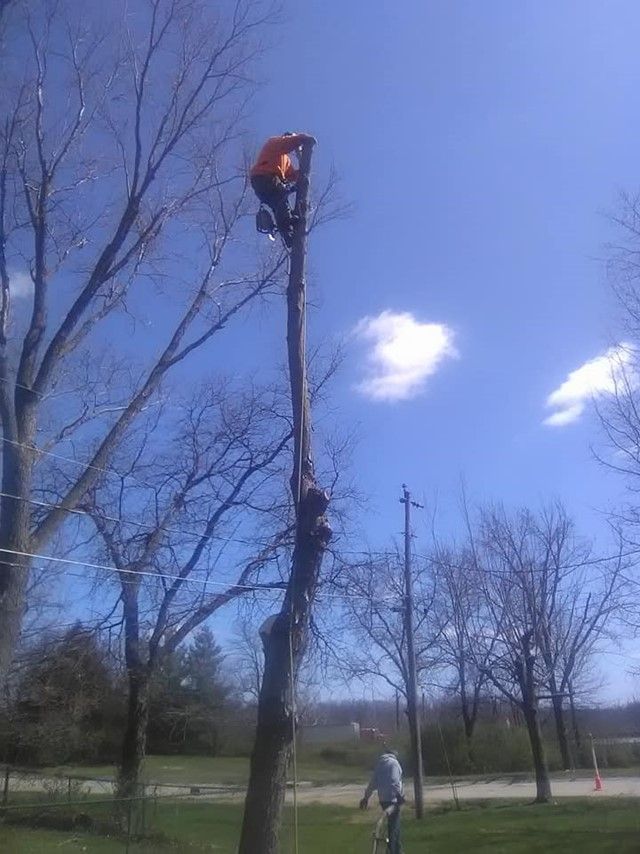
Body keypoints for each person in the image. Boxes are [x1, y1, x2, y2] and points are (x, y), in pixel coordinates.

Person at [250, 132, 317, 247]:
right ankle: (287, 229)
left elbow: (290, 175)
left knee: (279, 205)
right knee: (280, 198)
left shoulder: (284, 159)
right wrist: (303, 139)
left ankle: (288, 232)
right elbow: (288, 142)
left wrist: (303, 174)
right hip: (264, 177)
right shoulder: (275, 143)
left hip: (265, 183)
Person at [360, 748, 405, 854]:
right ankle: (393, 850)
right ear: (393, 755)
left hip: (383, 799)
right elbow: (394, 781)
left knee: (393, 825)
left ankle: (397, 850)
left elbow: (372, 784)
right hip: (393, 799)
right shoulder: (394, 763)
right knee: (394, 827)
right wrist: (399, 795)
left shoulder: (380, 765)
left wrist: (366, 798)